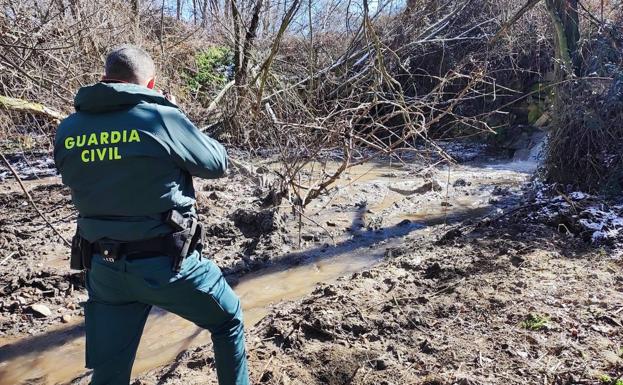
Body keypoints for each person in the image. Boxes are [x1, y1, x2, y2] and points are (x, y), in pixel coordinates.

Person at [54, 45, 249, 385]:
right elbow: (217, 163)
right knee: (228, 320)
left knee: (110, 371)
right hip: (167, 266)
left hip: (103, 268)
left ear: (104, 77)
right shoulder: (159, 117)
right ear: (150, 83)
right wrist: (173, 113)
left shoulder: (68, 129)